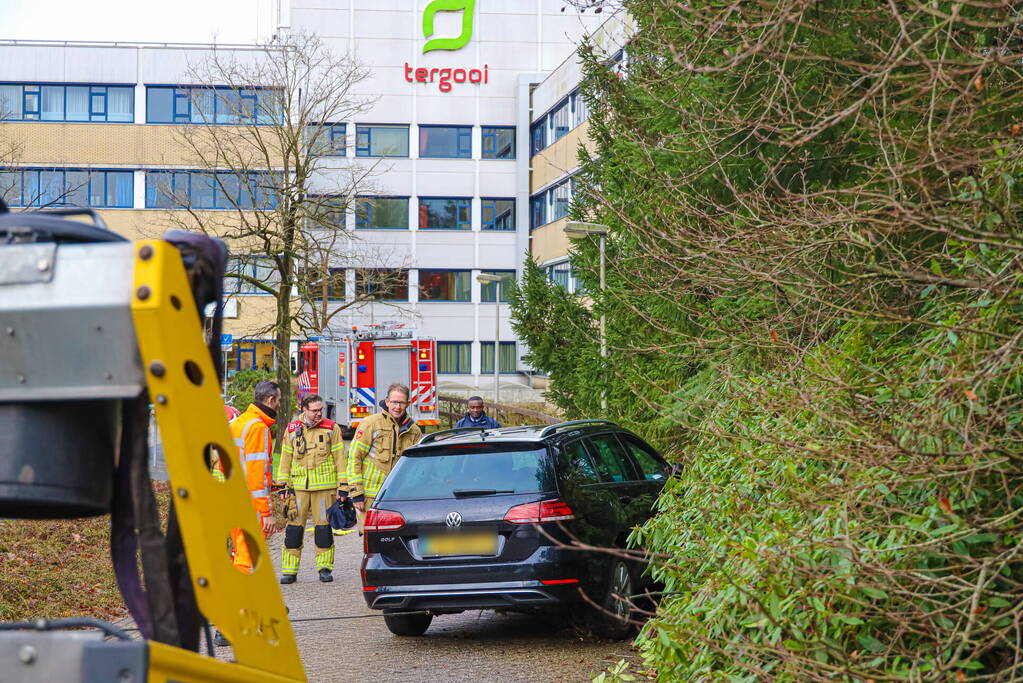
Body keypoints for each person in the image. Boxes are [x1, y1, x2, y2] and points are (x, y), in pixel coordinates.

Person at [215, 380, 281, 647]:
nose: (278, 405)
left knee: (242, 563)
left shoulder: (238, 423)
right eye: (277, 401)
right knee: (247, 566)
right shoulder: (258, 428)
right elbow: (255, 476)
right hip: (249, 508)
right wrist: (266, 512)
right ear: (270, 400)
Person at [276, 393, 346, 584]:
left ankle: (324, 569)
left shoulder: (332, 428)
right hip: (298, 490)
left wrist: (343, 487)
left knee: (323, 530)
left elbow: (340, 458)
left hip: (324, 490)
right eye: (314, 410)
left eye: (320, 409)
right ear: (303, 409)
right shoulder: (292, 429)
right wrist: (282, 486)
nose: (318, 413)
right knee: (293, 530)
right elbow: (285, 459)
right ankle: (289, 571)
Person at [344, 383, 422, 532]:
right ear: (387, 402)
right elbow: (354, 458)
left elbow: (416, 468)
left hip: (399, 498)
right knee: (372, 542)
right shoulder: (370, 424)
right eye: (394, 402)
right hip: (371, 498)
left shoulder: (414, 431)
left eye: (401, 403)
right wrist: (356, 494)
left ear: (408, 404)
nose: (397, 407)